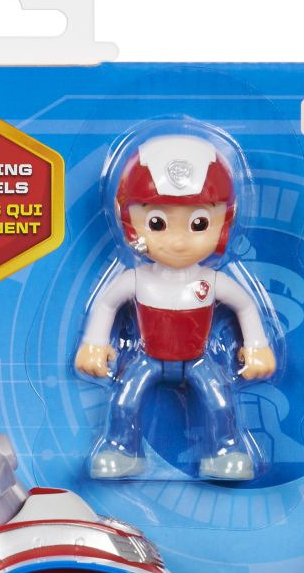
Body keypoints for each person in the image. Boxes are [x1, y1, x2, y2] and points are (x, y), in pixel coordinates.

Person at [75, 135, 276, 480]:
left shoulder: (211, 282)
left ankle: (226, 450)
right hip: (148, 358)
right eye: (157, 223)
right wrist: (93, 345)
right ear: (130, 223)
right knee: (124, 400)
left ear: (223, 223)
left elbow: (245, 305)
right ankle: (121, 449)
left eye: (199, 224)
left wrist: (257, 348)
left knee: (220, 401)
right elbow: (107, 303)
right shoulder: (137, 279)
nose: (179, 241)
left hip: (197, 359)